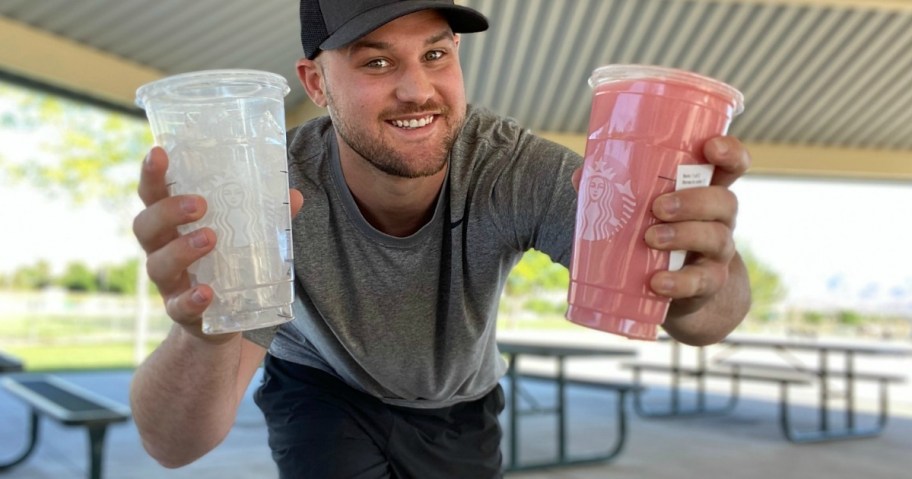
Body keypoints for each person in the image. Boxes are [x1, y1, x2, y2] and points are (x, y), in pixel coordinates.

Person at [129, 1, 752, 477]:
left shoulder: (512, 168)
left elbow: (702, 322)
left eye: (435, 55)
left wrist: (698, 270)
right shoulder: (272, 190)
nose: (417, 90)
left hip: (459, 400)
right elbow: (175, 445)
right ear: (316, 84)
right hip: (321, 388)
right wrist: (202, 330)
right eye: (377, 62)